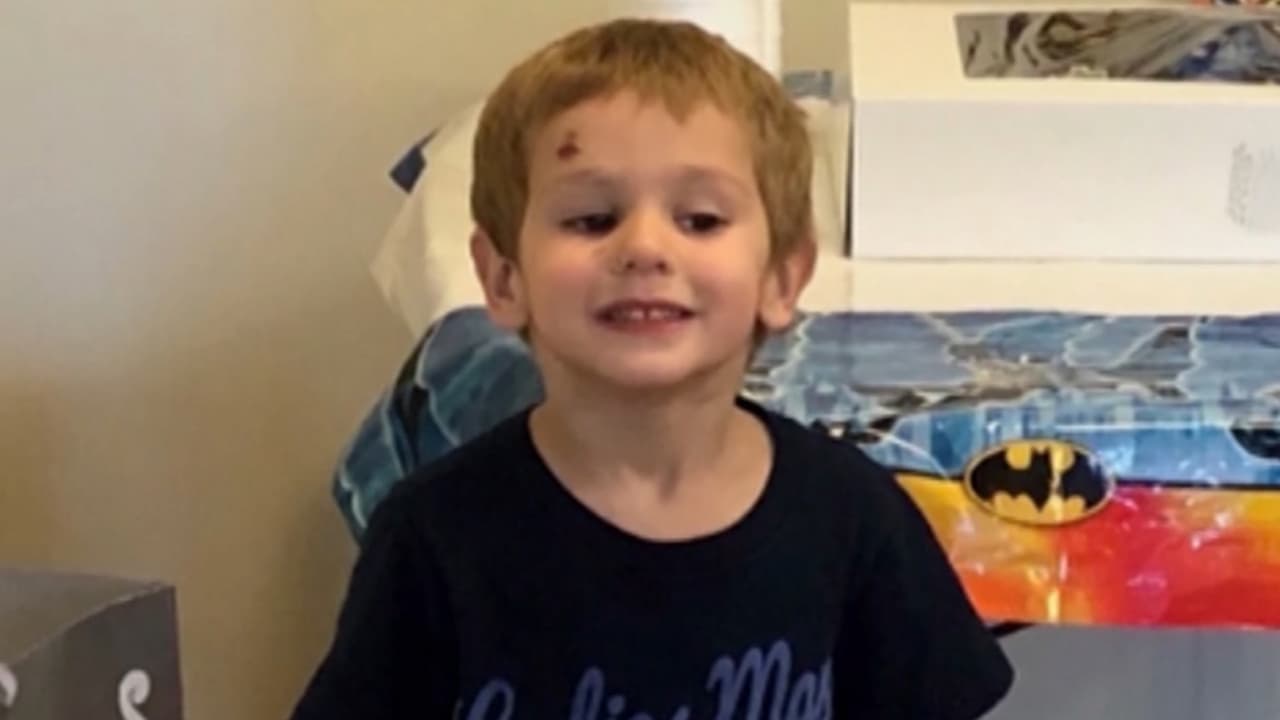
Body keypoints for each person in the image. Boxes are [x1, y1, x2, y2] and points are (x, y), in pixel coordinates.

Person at [292, 17, 1013, 719]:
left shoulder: (853, 516)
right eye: (591, 219)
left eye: (700, 219)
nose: (644, 247)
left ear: (782, 277)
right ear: (503, 278)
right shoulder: (433, 537)